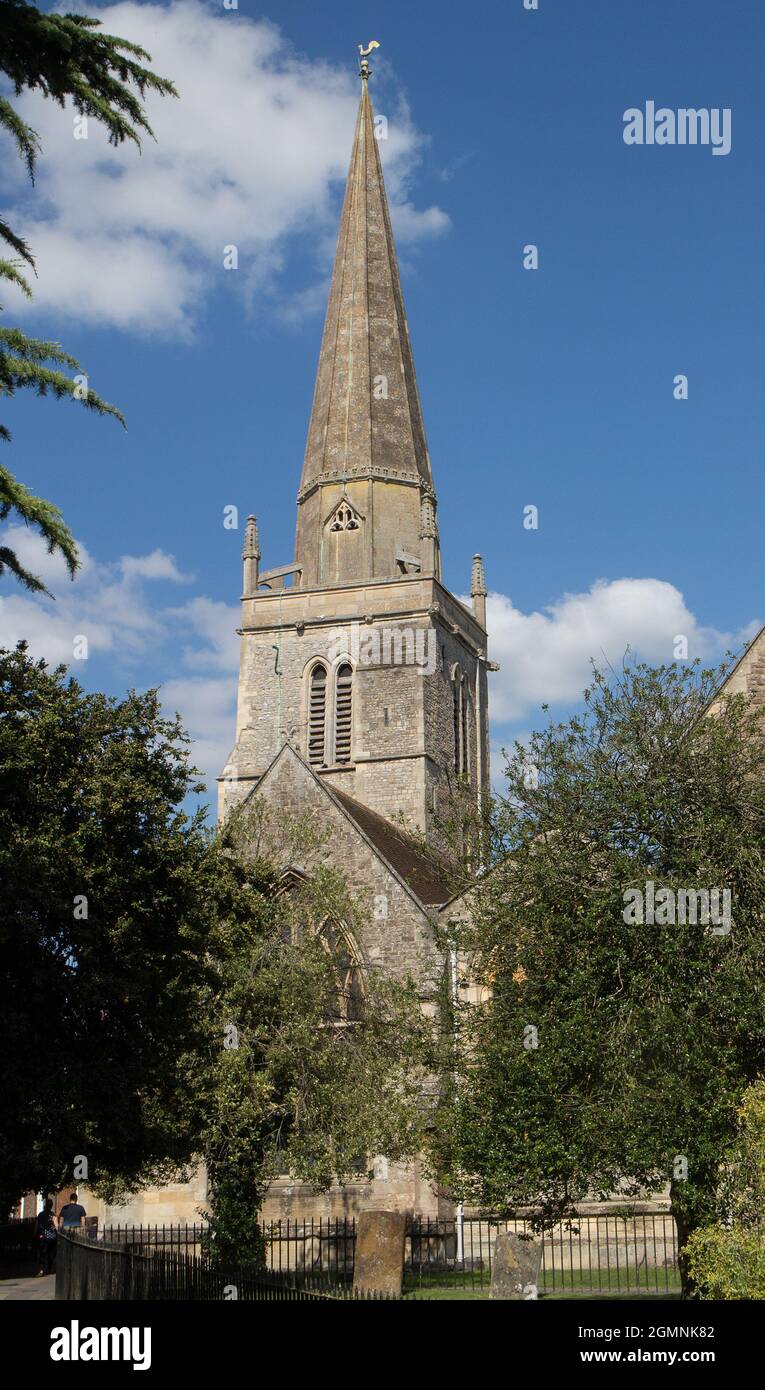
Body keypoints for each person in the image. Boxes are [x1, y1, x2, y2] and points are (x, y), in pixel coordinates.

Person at [35, 1198, 58, 1276]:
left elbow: (37, 1225)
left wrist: (35, 1234)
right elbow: (56, 1226)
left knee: (42, 1253)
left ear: (45, 1205)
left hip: (43, 1236)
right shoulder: (53, 1215)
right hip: (52, 1237)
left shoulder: (40, 1214)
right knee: (51, 1253)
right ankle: (49, 1268)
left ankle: (41, 1270)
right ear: (51, 1206)